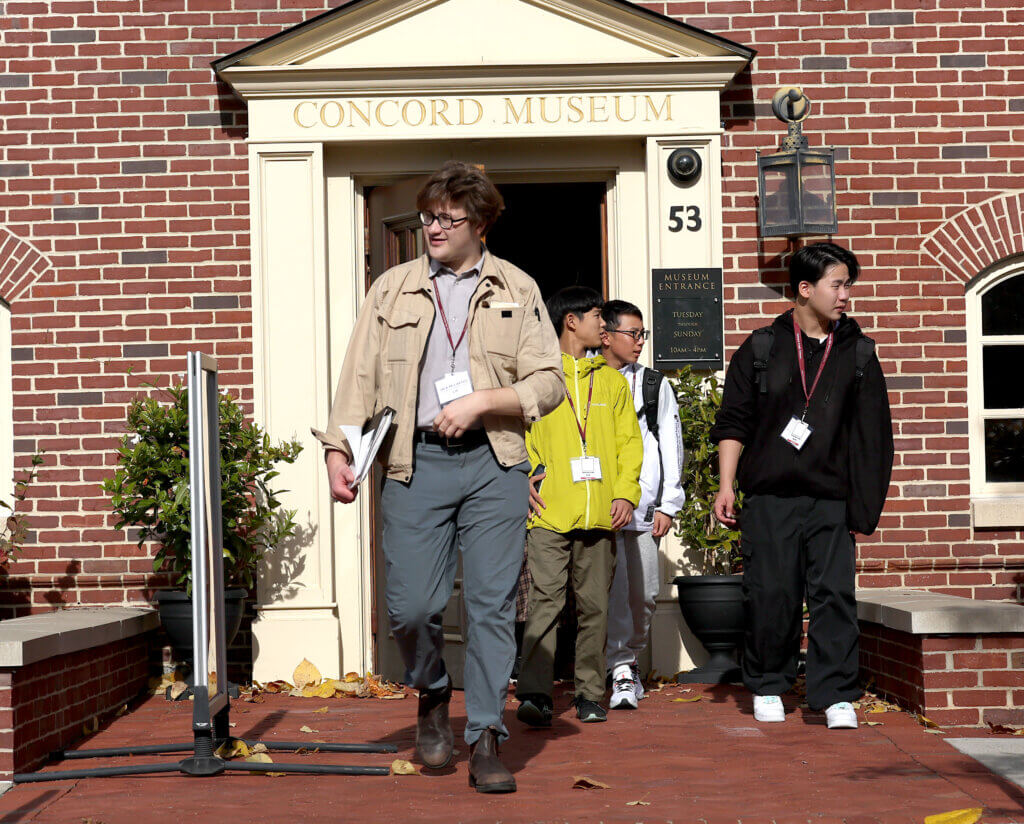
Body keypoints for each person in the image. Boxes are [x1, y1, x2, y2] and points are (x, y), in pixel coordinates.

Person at [312, 161, 563, 793]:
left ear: (480, 223)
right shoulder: (391, 289)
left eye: (449, 218)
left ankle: (484, 736)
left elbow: (550, 381)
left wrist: (484, 401)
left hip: (493, 462)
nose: (434, 227)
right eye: (428, 216)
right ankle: (432, 690)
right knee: (412, 606)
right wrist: (338, 451)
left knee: (489, 605)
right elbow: (358, 380)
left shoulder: (516, 287)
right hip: (410, 462)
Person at [709, 242, 894, 730]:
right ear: (805, 289)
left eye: (848, 284)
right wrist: (726, 485)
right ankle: (769, 684)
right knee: (772, 593)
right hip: (769, 496)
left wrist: (863, 503)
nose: (846, 294)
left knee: (835, 595)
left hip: (830, 497)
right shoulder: (762, 347)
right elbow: (734, 423)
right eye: (838, 283)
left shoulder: (857, 351)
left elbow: (873, 435)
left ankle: (834, 693)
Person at [516, 286, 643, 726]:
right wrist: (525, 475)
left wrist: (626, 493)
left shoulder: (611, 382)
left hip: (601, 513)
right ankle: (536, 693)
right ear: (570, 321)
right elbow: (520, 434)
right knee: (545, 603)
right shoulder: (536, 378)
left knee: (595, 607)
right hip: (549, 511)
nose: (602, 325)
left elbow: (630, 443)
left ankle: (590, 693)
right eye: (595, 316)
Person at [599, 300, 685, 711]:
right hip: (595, 508)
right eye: (632, 334)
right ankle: (618, 668)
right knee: (604, 593)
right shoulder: (585, 379)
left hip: (643, 508)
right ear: (606, 335)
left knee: (645, 593)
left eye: (642, 334)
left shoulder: (653, 385)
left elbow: (671, 445)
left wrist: (669, 503)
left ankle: (628, 659)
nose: (639, 342)